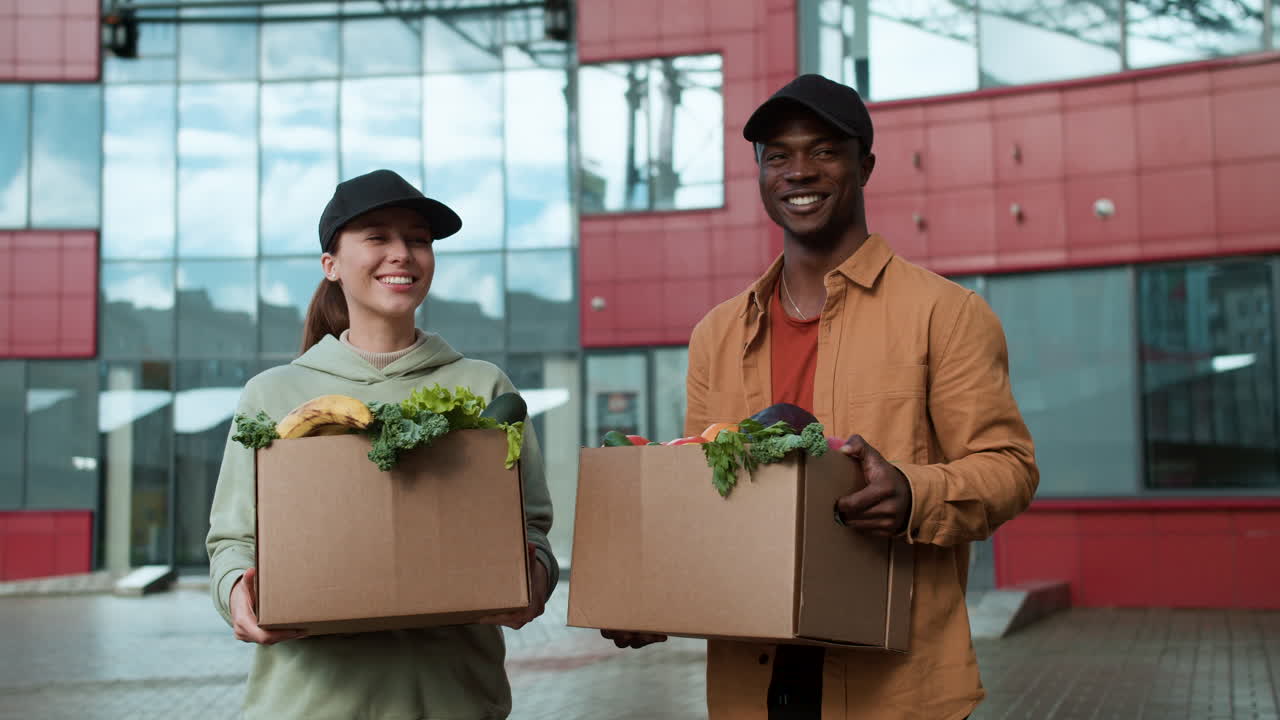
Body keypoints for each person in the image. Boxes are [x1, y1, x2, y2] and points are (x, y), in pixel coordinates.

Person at [604, 74, 1039, 719]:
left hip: (893, 690)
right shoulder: (717, 335)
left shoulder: (944, 315)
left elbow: (1009, 468)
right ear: (759, 173)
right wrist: (652, 593)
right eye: (777, 155)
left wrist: (914, 494)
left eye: (823, 151)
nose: (798, 171)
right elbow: (705, 494)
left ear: (864, 165)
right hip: (752, 685)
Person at [206, 169, 559, 719]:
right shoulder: (275, 395)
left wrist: (531, 581)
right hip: (307, 706)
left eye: (417, 239)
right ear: (331, 265)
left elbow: (531, 527)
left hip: (454, 702)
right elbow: (232, 541)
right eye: (377, 237)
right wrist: (237, 596)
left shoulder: (483, 388)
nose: (402, 253)